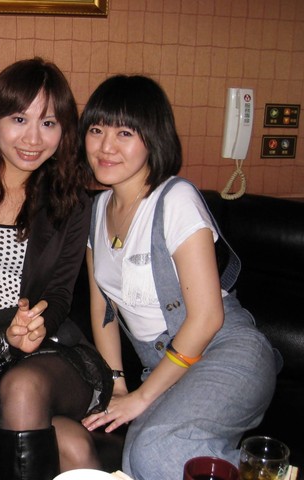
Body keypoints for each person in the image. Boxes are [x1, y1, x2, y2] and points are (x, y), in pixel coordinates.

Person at [79, 75, 279, 479]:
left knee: (156, 450)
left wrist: (142, 398)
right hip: (165, 369)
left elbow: (207, 318)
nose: (105, 146)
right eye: (96, 130)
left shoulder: (175, 199)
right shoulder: (97, 210)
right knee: (136, 461)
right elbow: (103, 311)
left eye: (124, 133)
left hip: (226, 351)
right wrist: (118, 385)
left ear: (153, 138)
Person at [0, 58, 113, 480]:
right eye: (19, 119)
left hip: (44, 351)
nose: (33, 139)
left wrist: (38, 326)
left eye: (49, 123)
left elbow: (59, 293)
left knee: (24, 387)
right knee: (72, 444)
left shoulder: (70, 201)